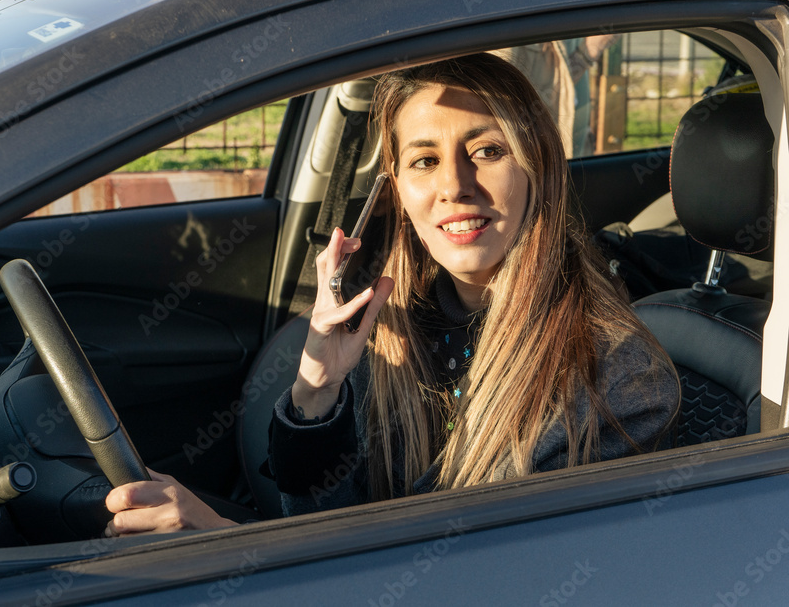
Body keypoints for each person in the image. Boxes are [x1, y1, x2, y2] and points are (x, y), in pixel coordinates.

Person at [103, 53, 679, 533]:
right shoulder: (394, 328)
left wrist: (224, 544)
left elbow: (462, 587)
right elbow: (336, 524)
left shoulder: (618, 377)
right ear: (397, 188)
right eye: (425, 161)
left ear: (538, 165)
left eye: (487, 151)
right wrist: (318, 389)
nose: (454, 185)